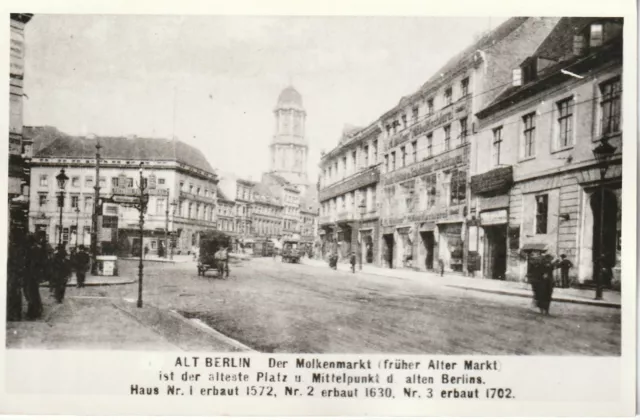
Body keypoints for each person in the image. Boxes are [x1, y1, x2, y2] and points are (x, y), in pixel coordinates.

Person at [528, 250, 555, 315]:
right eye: (548, 259)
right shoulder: (541, 265)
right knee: (542, 297)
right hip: (542, 283)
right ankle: (542, 310)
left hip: (548, 283)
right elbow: (537, 273)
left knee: (548, 297)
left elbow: (551, 273)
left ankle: (546, 310)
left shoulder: (551, 265)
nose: (549, 260)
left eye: (550, 259)